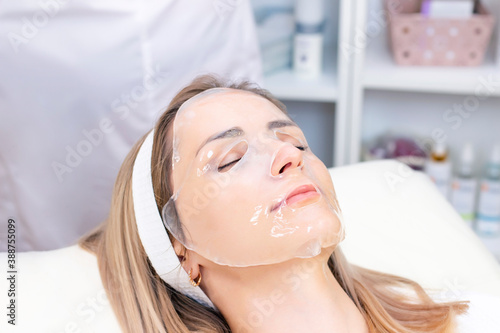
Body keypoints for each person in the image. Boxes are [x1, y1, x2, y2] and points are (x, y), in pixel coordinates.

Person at [80, 74, 469, 333]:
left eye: (297, 142)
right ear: (179, 247)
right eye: (230, 158)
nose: (290, 156)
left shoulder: (472, 320)